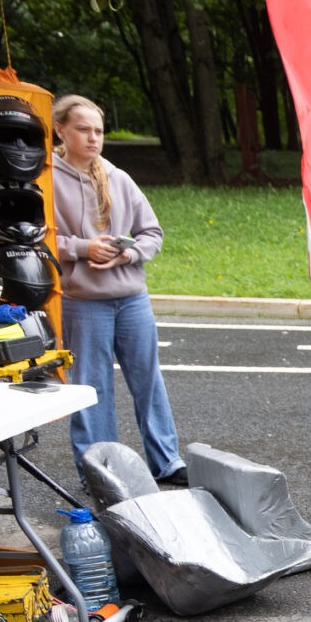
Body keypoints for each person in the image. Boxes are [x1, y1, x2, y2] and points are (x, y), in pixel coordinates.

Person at [52, 94, 188, 485]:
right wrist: (83, 248)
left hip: (131, 298)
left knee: (149, 381)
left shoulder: (118, 177)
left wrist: (127, 255)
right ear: (60, 130)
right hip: (83, 302)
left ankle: (166, 461)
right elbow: (37, 239)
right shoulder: (46, 180)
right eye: (83, 129)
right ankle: (101, 472)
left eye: (98, 131)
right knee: (91, 388)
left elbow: (152, 233)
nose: (93, 138)